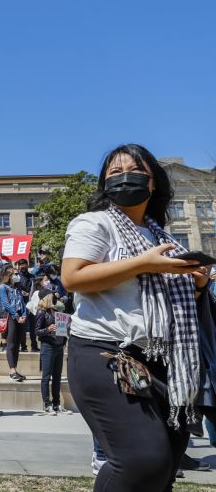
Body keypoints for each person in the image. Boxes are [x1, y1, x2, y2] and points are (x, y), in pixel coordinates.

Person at [61, 143, 209, 492]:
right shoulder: (93, 223)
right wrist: (144, 263)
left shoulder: (163, 237)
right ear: (104, 184)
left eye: (133, 170)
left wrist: (198, 285)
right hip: (105, 353)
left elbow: (170, 302)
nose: (124, 177)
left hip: (163, 361)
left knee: (166, 465)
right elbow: (73, 278)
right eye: (114, 172)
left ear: (152, 181)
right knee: (142, 461)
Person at [34, 289, 70, 415]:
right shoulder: (41, 312)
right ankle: (47, 404)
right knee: (46, 376)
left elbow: (62, 329)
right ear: (46, 297)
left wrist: (65, 331)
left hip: (58, 346)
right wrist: (48, 329)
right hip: (47, 346)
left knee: (57, 376)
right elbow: (37, 331)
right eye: (51, 294)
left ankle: (56, 404)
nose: (53, 296)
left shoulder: (56, 311)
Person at [0, 265, 27, 382]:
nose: (15, 276)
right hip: (11, 317)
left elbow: (22, 303)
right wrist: (17, 316)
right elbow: (6, 304)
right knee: (11, 344)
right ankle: (12, 370)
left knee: (17, 344)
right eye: (13, 274)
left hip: (20, 316)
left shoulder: (16, 288)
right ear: (7, 275)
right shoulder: (2, 287)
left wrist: (24, 314)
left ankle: (15, 369)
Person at [14, 259, 37, 352]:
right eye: (21, 265)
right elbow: (14, 287)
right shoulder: (16, 277)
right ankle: (23, 346)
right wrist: (21, 292)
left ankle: (34, 346)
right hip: (21, 304)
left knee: (33, 325)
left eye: (24, 264)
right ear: (18, 266)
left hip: (31, 303)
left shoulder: (32, 276)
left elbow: (35, 288)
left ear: (27, 265)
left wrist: (31, 293)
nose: (22, 267)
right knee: (22, 326)